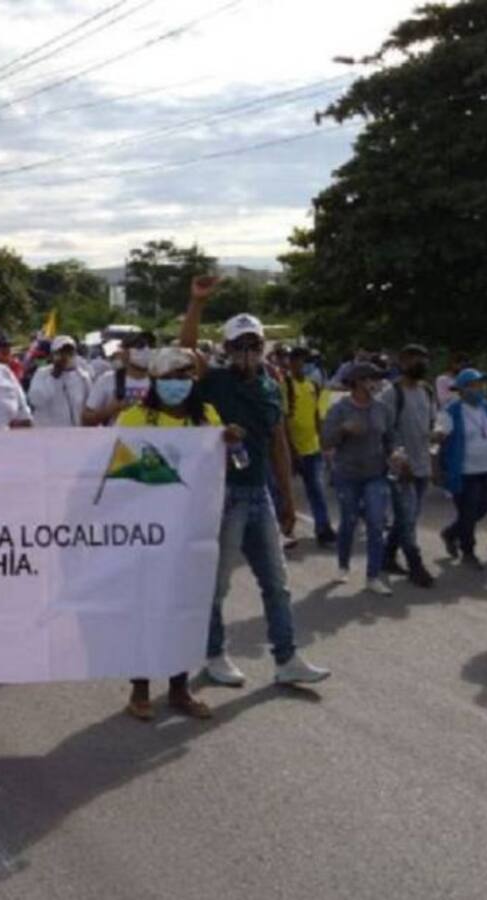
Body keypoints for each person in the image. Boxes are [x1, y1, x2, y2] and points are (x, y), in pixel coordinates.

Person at [179, 278, 330, 688]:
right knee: (217, 585)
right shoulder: (213, 381)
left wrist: (287, 499)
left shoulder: (270, 386)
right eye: (239, 344)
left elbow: (278, 443)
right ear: (227, 348)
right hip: (222, 495)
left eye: (254, 344)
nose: (247, 351)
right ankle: (214, 655)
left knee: (276, 583)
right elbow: (185, 350)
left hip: (259, 494)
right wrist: (196, 303)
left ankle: (287, 657)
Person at [117, 347, 236, 721]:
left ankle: (179, 688)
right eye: (167, 378)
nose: (175, 385)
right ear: (154, 382)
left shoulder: (207, 417)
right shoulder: (134, 418)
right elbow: (115, 471)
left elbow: (222, 466)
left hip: (191, 530)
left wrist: (231, 442)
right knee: (146, 608)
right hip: (148, 530)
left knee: (185, 608)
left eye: (182, 377)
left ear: (193, 380)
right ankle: (139, 690)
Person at [322, 363, 396, 595]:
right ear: (357, 382)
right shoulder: (340, 409)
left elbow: (390, 439)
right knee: (349, 521)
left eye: (376, 379)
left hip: (376, 474)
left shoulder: (382, 408)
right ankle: (343, 565)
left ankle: (373, 576)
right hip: (347, 474)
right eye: (370, 379)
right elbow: (326, 440)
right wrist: (343, 430)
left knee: (376, 522)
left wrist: (395, 455)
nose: (375, 384)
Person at [379, 344, 438, 588]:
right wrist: (397, 460)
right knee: (408, 517)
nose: (420, 363)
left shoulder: (427, 391)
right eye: (414, 359)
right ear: (402, 362)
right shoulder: (392, 394)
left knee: (407, 516)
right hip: (401, 468)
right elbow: (384, 432)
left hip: (422, 463)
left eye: (423, 359)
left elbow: (431, 424)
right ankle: (416, 565)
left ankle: (387, 556)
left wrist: (436, 437)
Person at [435, 368, 487, 569]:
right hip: (465, 471)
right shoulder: (452, 410)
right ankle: (468, 551)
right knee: (469, 511)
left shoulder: (486, 407)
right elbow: (439, 434)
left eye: (481, 384)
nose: (480, 389)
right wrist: (437, 467)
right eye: (474, 385)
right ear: (462, 389)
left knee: (482, 509)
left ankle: (450, 533)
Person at [282, 345, 335, 547]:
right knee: (284, 491)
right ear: (291, 363)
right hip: (291, 449)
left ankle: (323, 529)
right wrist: (291, 449)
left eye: (306, 361)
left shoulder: (313, 386)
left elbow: (317, 415)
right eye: (299, 360)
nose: (303, 365)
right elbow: (283, 419)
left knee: (316, 490)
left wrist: (323, 441)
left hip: (312, 447)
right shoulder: (285, 385)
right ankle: (286, 530)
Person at [82, 331, 156, 426]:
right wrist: (109, 410)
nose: (147, 350)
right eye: (140, 346)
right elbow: (86, 420)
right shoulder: (107, 380)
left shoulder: (159, 382)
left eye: (151, 345)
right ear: (125, 352)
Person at [27, 335, 91, 427]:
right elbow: (35, 400)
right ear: (53, 355)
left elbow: (89, 407)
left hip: (75, 432)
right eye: (61, 352)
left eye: (69, 352)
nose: (65, 356)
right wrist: (54, 376)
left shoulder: (83, 377)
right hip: (48, 432)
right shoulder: (42, 374)